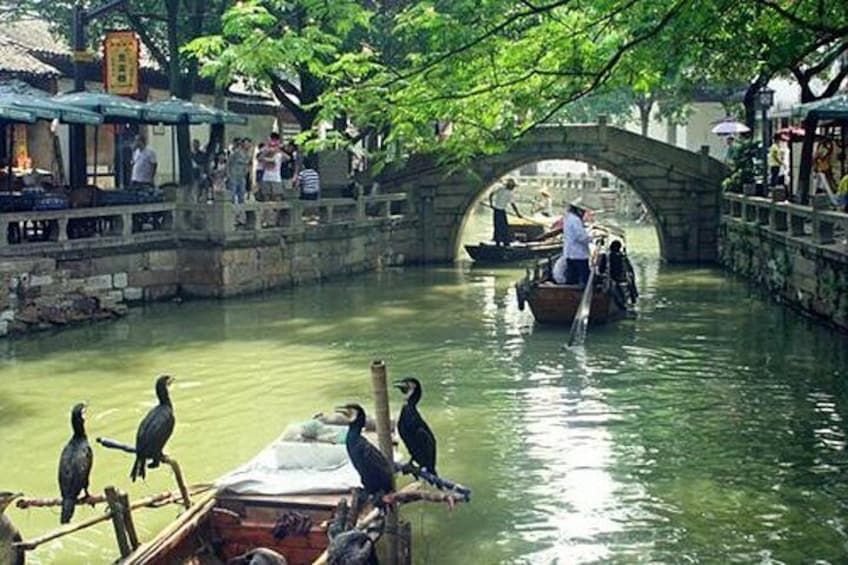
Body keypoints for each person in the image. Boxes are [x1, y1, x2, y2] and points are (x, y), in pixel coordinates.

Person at [563, 200, 592, 286]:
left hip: (570, 253)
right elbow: (581, 237)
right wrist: (591, 238)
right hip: (579, 255)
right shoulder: (575, 220)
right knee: (584, 277)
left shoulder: (568, 218)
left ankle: (569, 294)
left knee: (571, 277)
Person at [489, 178, 522, 246]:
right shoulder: (508, 192)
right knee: (503, 227)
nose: (513, 187)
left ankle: (499, 242)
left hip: (498, 210)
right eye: (513, 186)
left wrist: (491, 204)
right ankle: (503, 242)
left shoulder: (500, 189)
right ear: (510, 186)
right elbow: (513, 205)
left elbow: (491, 194)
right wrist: (518, 214)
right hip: (500, 211)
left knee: (498, 226)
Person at [227, 138, 250, 204]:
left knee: (242, 194)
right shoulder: (236, 153)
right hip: (234, 176)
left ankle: (240, 212)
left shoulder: (247, 155)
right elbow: (228, 163)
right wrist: (228, 174)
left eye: (248, 143)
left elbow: (247, 165)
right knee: (232, 195)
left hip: (242, 177)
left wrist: (246, 172)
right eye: (246, 143)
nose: (247, 145)